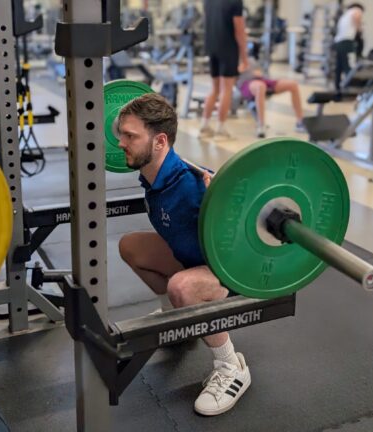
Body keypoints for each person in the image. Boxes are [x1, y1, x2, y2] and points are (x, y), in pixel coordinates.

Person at [117, 93, 251, 416]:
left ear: (160, 141)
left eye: (130, 136)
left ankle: (231, 367)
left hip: (227, 272)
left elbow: (247, 226)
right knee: (130, 247)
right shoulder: (153, 175)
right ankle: (178, 319)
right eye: (121, 134)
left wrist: (228, 202)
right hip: (191, 258)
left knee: (182, 286)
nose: (121, 143)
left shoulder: (193, 186)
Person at [199, 0, 249, 140]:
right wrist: (245, 57)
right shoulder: (235, 1)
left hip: (212, 48)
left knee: (215, 89)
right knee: (226, 89)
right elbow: (239, 30)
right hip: (228, 48)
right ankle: (220, 130)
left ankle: (204, 127)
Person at [236, 58, 306, 138]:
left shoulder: (251, 59)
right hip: (246, 84)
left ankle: (300, 122)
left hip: (263, 80)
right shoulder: (233, 58)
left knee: (293, 84)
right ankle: (261, 125)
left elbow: (260, 71)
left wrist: (259, 73)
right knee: (260, 86)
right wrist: (239, 70)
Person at [333, 3, 365, 92]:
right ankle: (350, 88)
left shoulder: (345, 15)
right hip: (347, 42)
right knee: (349, 66)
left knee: (339, 66)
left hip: (338, 42)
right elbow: (357, 17)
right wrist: (359, 30)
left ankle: (337, 86)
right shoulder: (356, 11)